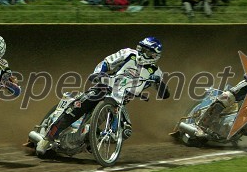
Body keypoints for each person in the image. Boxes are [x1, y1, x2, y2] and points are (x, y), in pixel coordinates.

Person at [36, 36, 170, 155]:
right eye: (141, 48)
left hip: (119, 101)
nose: (142, 53)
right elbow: (106, 62)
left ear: (154, 55)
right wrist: (99, 73)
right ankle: (48, 139)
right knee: (77, 108)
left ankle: (91, 141)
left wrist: (160, 83)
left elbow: (164, 94)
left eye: (146, 51)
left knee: (125, 130)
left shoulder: (156, 72)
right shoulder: (128, 53)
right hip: (103, 88)